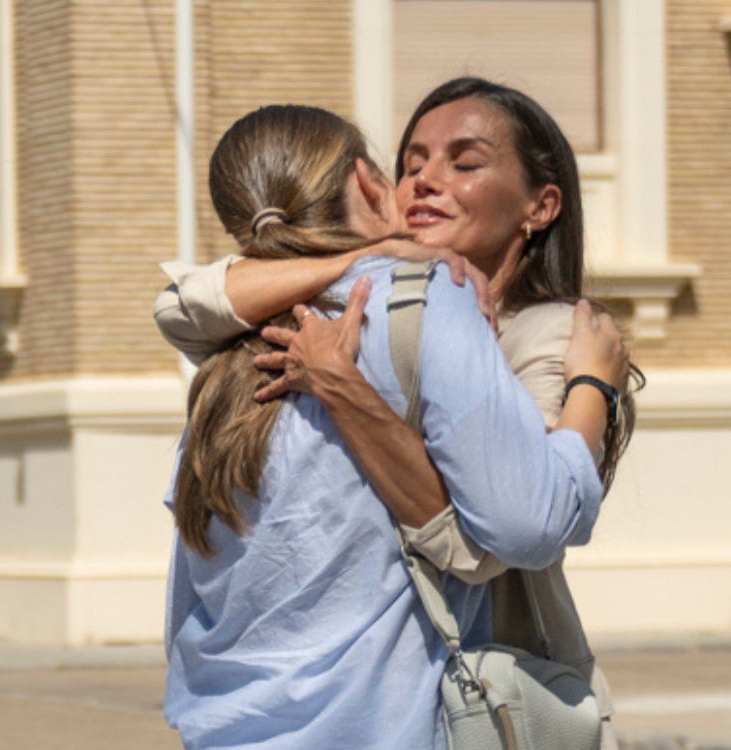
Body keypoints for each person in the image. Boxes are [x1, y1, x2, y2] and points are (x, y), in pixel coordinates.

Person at [162, 103, 626, 750]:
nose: (424, 182)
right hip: (374, 723)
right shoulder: (421, 295)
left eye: (464, 163)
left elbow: (190, 593)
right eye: (408, 165)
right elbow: (526, 525)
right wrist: (593, 387)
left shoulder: (229, 348)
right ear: (370, 183)